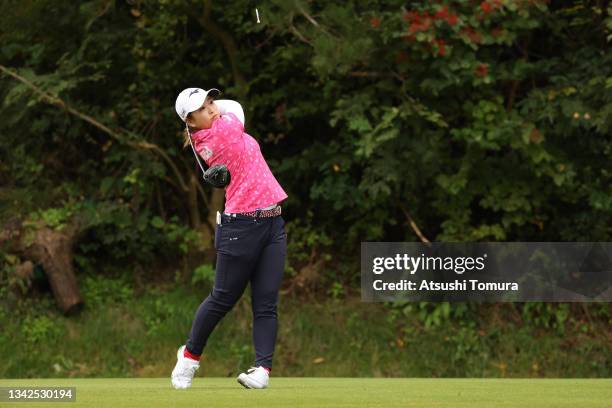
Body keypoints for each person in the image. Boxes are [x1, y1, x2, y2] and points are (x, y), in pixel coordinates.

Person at [171, 87, 288, 390]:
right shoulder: (218, 135)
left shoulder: (217, 127)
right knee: (222, 298)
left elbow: (229, 107)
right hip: (241, 228)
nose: (211, 108)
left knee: (266, 303)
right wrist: (217, 112)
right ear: (190, 121)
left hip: (272, 223)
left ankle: (262, 369)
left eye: (210, 101)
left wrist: (209, 109)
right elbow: (234, 107)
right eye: (202, 107)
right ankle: (189, 356)